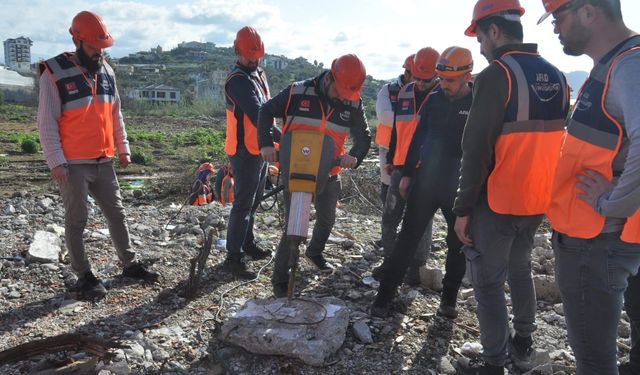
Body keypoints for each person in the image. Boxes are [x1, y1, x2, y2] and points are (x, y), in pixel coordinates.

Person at [453, 0, 570, 373]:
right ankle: (522, 345)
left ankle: (492, 363)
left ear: (494, 31)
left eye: (480, 38)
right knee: (519, 269)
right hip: (538, 200)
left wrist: (462, 209)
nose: (480, 48)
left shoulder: (494, 77)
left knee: (488, 284)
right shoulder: (557, 75)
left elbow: (475, 150)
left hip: (498, 200)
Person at [539, 0, 640, 373]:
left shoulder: (629, 65)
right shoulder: (613, 65)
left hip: (597, 240)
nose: (554, 27)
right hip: (610, 237)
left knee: (595, 362)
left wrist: (613, 202)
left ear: (589, 11)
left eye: (558, 17)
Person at [37, 11, 159, 300]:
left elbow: (115, 114)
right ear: (77, 40)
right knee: (77, 219)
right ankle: (84, 276)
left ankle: (129, 264)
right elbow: (46, 122)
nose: (100, 52)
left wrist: (123, 146)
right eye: (94, 47)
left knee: (117, 214)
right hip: (73, 163)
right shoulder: (53, 73)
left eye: (103, 47)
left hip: (103, 159)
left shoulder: (107, 71)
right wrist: (56, 161)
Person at [371, 47, 474, 319]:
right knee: (407, 238)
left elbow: (485, 147)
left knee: (457, 243)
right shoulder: (435, 99)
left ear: (468, 76)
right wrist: (406, 173)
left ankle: (448, 301)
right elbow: (418, 136)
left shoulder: (476, 102)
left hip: (459, 182)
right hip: (427, 178)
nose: (443, 85)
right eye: (440, 79)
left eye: (450, 80)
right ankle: (384, 297)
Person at [258, 54, 371, 298]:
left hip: (330, 171)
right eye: (340, 91)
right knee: (294, 228)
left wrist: (355, 156)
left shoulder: (353, 102)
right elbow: (265, 112)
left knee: (327, 218)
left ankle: (315, 252)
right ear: (330, 78)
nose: (343, 97)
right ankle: (280, 279)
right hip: (298, 172)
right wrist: (266, 144)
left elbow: (364, 137)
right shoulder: (297, 92)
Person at [375, 48, 439, 284]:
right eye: (417, 77)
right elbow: (395, 132)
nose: (420, 83)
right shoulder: (404, 93)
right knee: (390, 217)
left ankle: (417, 267)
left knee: (421, 220)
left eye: (426, 79)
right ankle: (390, 262)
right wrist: (391, 158)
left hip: (426, 171)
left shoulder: (443, 96)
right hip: (400, 165)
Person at [222, 26, 275, 279]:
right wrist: (281, 138)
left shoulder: (259, 73)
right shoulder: (237, 81)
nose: (254, 61)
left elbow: (269, 107)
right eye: (250, 57)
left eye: (258, 57)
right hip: (244, 151)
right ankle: (233, 257)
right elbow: (257, 113)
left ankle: (248, 243)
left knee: (254, 202)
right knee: (242, 205)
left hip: (260, 148)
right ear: (237, 51)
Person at [374, 54, 414, 205]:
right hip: (388, 148)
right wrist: (414, 124)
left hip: (414, 150)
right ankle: (388, 225)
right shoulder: (388, 90)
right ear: (407, 73)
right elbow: (385, 116)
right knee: (389, 188)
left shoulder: (425, 92)